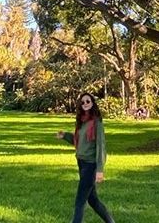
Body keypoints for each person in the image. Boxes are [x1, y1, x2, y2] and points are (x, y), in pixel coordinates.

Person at [56, 93, 115, 223]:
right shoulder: (82, 121)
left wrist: (100, 169)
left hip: (91, 165)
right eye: (82, 102)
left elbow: (101, 145)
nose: (85, 104)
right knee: (92, 199)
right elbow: (78, 142)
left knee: (79, 201)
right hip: (81, 163)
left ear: (92, 102)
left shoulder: (97, 121)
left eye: (88, 101)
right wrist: (65, 135)